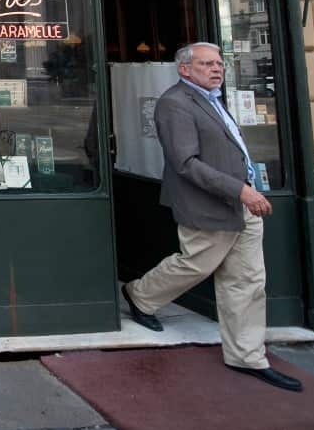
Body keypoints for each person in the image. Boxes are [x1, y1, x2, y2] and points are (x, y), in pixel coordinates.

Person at [122, 41, 302, 392]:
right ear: (184, 69)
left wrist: (246, 189)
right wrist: (240, 190)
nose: (216, 68)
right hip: (211, 203)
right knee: (196, 263)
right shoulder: (174, 104)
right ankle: (140, 294)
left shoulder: (214, 100)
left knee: (247, 281)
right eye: (206, 63)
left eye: (219, 63)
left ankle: (247, 356)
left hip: (242, 203)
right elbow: (185, 163)